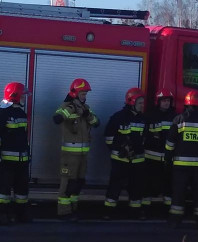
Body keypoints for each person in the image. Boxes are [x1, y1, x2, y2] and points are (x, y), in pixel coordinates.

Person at [52, 78, 98, 219]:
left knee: (78, 182)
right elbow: (57, 118)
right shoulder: (68, 107)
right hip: (70, 155)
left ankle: (73, 208)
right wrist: (69, 110)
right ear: (74, 93)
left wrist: (87, 114)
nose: (85, 97)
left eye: (86, 94)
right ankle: (64, 211)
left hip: (82, 155)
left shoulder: (86, 108)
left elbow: (96, 122)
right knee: (67, 183)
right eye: (83, 94)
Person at [0, 82, 31, 225]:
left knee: (22, 191)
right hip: (6, 161)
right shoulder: (1, 114)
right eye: (23, 95)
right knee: (3, 191)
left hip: (21, 160)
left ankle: (21, 214)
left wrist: (27, 155)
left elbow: (23, 137)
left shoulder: (21, 113)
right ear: (15, 96)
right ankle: (2, 214)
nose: (25, 98)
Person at [103, 87, 147, 218]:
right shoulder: (118, 117)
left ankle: (135, 211)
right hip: (120, 159)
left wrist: (138, 149)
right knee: (115, 186)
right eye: (140, 103)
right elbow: (108, 137)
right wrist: (120, 148)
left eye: (143, 103)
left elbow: (146, 138)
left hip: (137, 160)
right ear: (131, 102)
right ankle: (108, 212)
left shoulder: (143, 119)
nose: (142, 105)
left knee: (136, 187)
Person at [167, 90, 198, 224]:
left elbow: (170, 143)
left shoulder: (179, 120)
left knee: (179, 193)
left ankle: (175, 220)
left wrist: (168, 158)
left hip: (181, 166)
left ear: (186, 103)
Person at [144, 89, 176, 212]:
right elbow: (145, 134)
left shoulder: (175, 117)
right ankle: (145, 210)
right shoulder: (150, 115)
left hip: (168, 157)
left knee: (168, 184)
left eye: (168, 101)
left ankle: (167, 210)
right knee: (148, 184)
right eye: (164, 101)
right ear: (158, 102)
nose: (166, 103)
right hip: (152, 157)